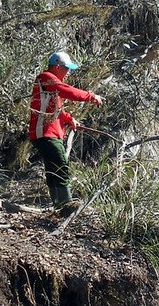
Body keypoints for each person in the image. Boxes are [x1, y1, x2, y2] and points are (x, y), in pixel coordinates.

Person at [29, 51, 104, 213]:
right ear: (56, 66)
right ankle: (67, 205)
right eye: (66, 68)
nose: (68, 72)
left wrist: (70, 120)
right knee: (61, 165)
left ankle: (59, 205)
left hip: (48, 134)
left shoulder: (50, 85)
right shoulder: (46, 77)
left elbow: (58, 109)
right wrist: (91, 96)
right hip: (45, 133)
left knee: (53, 169)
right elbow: (67, 91)